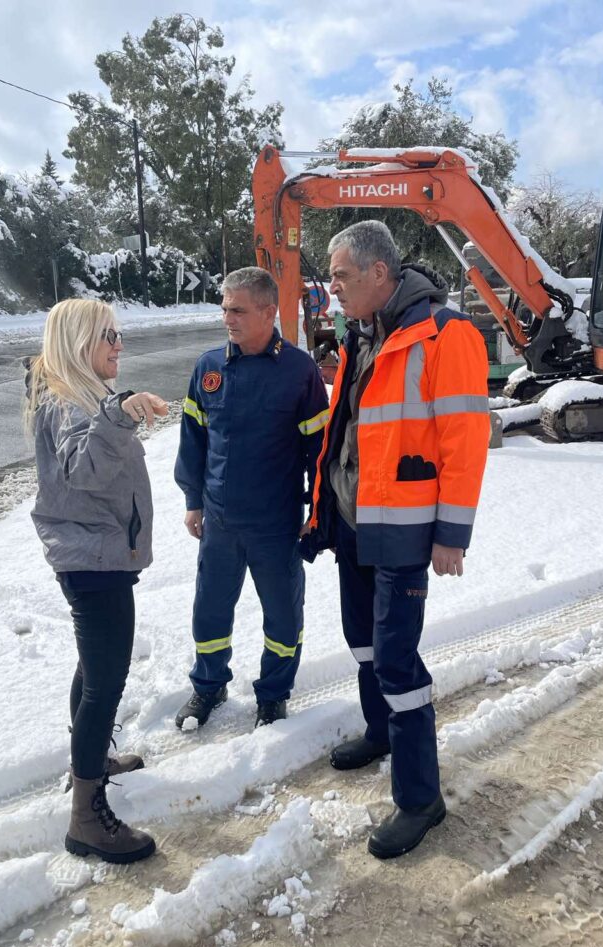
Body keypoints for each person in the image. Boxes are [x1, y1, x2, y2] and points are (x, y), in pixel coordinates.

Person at [303, 221, 490, 860]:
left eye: (340, 277)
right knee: (362, 644)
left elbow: (465, 441)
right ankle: (380, 732)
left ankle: (420, 799)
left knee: (397, 662)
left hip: (407, 530)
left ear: (379, 274)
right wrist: (323, 509)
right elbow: (350, 431)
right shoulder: (363, 335)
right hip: (355, 522)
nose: (332, 290)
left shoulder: (446, 333)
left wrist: (451, 534)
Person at [25, 298, 168, 864]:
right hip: (93, 558)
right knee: (106, 679)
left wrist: (119, 409)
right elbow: (82, 471)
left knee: (94, 668)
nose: (118, 343)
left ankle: (88, 761)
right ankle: (87, 818)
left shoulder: (79, 394)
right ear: (80, 340)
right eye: (108, 334)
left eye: (118, 334)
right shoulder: (67, 399)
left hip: (96, 552)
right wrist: (119, 414)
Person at [174, 267, 330, 730]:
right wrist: (193, 501)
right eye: (224, 308)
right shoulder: (209, 369)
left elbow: (317, 453)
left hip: (276, 524)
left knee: (283, 617)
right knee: (209, 612)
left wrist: (317, 511)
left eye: (237, 310)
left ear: (268, 311)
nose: (227, 318)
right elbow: (193, 442)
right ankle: (209, 686)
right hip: (220, 523)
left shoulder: (299, 371)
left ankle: (273, 695)